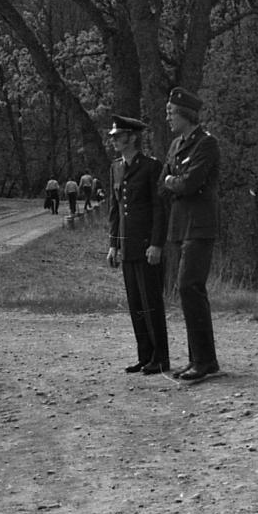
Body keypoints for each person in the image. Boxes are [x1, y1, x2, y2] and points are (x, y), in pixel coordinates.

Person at [159, 86, 221, 382]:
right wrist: (175, 181)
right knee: (186, 290)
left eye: (171, 112)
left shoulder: (206, 144)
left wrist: (174, 182)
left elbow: (190, 183)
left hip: (199, 224)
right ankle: (198, 358)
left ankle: (205, 360)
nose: (168, 117)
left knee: (189, 287)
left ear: (185, 114)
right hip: (181, 224)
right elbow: (164, 182)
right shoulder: (176, 145)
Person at [107, 115, 171, 374]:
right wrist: (113, 244)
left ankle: (160, 357)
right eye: (113, 136)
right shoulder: (116, 167)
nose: (114, 140)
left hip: (146, 245)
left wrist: (156, 244)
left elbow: (159, 208)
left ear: (132, 137)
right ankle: (144, 355)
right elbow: (115, 209)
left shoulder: (151, 167)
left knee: (151, 302)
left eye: (118, 136)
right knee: (135, 304)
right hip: (127, 245)